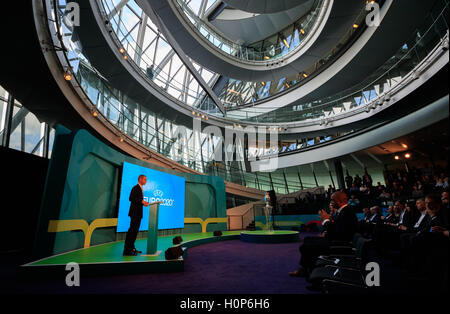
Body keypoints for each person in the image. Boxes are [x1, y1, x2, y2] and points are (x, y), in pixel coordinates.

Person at [289, 191, 357, 277]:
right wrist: (327, 222)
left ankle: (307, 270)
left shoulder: (346, 212)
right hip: (335, 240)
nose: (331, 202)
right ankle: (308, 268)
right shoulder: (344, 211)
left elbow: (339, 233)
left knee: (306, 246)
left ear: (340, 201)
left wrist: (326, 220)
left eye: (333, 200)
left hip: (339, 244)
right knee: (307, 240)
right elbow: (336, 229)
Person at [123, 175, 149, 256]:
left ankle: (132, 248)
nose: (146, 181)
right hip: (134, 213)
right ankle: (127, 251)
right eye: (145, 179)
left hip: (138, 213)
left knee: (135, 232)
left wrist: (143, 203)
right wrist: (141, 201)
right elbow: (131, 198)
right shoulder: (136, 187)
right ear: (140, 179)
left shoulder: (140, 188)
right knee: (132, 231)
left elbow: (137, 200)